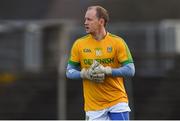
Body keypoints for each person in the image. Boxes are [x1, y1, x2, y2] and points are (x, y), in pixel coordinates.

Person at [66, 5, 135, 120]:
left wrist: (107, 71)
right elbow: (69, 71)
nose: (85, 22)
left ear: (101, 21)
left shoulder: (117, 42)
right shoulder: (79, 44)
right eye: (85, 19)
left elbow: (130, 70)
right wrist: (84, 74)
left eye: (89, 19)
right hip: (93, 107)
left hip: (117, 101)